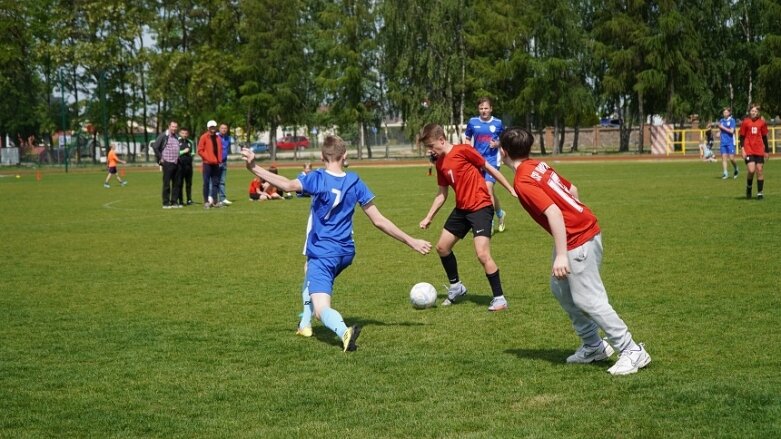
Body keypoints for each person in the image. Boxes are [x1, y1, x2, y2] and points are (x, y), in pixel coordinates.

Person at [241, 135, 431, 352]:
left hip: (324, 253)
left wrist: (253, 166)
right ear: (345, 156)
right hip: (346, 252)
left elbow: (286, 184)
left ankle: (343, 332)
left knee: (321, 309)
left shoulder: (317, 178)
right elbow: (379, 221)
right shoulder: (355, 181)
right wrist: (411, 241)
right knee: (308, 272)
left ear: (322, 157)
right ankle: (304, 324)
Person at [498, 127, 651, 376]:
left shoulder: (523, 180)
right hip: (582, 233)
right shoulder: (539, 166)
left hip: (578, 239)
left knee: (589, 299)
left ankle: (631, 350)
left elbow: (555, 213)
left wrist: (562, 253)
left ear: (503, 152)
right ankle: (593, 346)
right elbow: (573, 190)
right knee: (561, 288)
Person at [418, 123, 516, 311]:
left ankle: (500, 299)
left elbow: (488, 168)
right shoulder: (439, 163)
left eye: (431, 146)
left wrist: (510, 188)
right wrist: (428, 216)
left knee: (482, 254)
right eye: (427, 148)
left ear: (441, 140)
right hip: (462, 209)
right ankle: (456, 287)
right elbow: (442, 194)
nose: (430, 151)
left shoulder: (463, 150)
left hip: (481, 207)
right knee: (442, 248)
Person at [464, 97, 507, 234]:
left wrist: (498, 144)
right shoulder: (472, 122)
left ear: (491, 109)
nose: (484, 111)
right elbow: (467, 138)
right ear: (478, 109)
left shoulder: (498, 123)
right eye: (481, 108)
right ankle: (500, 213)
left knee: (488, 189)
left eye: (486, 108)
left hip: (492, 161)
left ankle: (489, 222)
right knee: (487, 192)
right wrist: (467, 152)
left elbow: (505, 138)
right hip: (477, 161)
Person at [739, 104, 770, 200]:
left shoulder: (762, 123)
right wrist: (742, 149)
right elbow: (742, 137)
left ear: (758, 113)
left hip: (759, 149)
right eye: (752, 111)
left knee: (759, 170)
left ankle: (760, 193)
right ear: (749, 112)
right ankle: (749, 187)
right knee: (751, 170)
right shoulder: (745, 122)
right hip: (748, 149)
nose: (754, 113)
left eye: (756, 111)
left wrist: (766, 151)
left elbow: (764, 137)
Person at [153, 120, 182, 208]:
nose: (174, 128)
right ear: (169, 126)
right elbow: (155, 146)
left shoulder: (176, 136)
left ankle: (174, 202)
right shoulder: (163, 136)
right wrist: (160, 158)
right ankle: (165, 203)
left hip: (176, 163)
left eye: (176, 127)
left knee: (176, 184)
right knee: (166, 184)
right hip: (167, 162)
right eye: (173, 126)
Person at [197, 120, 223, 209]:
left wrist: (219, 160)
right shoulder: (204, 137)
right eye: (211, 127)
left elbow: (219, 150)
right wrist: (207, 158)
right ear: (208, 128)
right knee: (206, 183)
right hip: (207, 164)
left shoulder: (218, 138)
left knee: (216, 183)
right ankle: (206, 202)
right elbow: (200, 150)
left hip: (216, 164)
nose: (213, 128)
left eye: (214, 127)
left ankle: (215, 202)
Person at [718, 108, 739, 179]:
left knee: (731, 158)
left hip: (730, 142)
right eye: (724, 112)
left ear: (729, 113)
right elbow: (720, 130)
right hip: (723, 142)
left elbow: (731, 131)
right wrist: (718, 133)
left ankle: (736, 168)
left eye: (726, 112)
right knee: (724, 158)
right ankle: (725, 173)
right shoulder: (721, 120)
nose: (725, 113)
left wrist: (723, 127)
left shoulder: (732, 120)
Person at [176, 128, 195, 206]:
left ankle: (189, 200)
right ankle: (180, 200)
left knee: (189, 183)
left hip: (189, 166)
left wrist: (191, 155)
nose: (184, 135)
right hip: (180, 166)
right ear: (180, 133)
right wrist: (183, 151)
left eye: (186, 133)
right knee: (180, 183)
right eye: (183, 133)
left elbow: (193, 152)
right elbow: (175, 153)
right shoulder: (177, 142)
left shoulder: (190, 142)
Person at [217, 123, 232, 205]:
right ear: (219, 128)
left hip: (224, 162)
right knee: (214, 181)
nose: (224, 129)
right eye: (222, 128)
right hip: (216, 162)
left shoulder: (228, 138)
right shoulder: (216, 137)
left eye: (225, 128)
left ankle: (222, 198)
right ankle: (213, 198)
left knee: (222, 181)